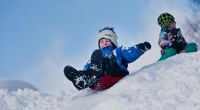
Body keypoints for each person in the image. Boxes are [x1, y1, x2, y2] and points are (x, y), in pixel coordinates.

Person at [64, 27, 151, 91]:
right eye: (101, 42)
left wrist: (140, 48)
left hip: (115, 74)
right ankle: (82, 79)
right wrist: (84, 73)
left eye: (107, 41)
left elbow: (129, 53)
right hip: (100, 81)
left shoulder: (118, 51)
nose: (104, 43)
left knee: (107, 60)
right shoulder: (96, 57)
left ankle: (96, 72)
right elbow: (87, 67)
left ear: (113, 42)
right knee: (93, 62)